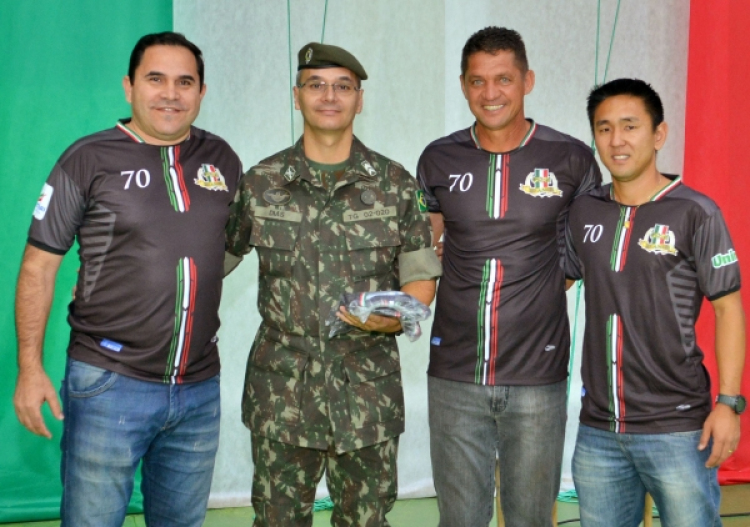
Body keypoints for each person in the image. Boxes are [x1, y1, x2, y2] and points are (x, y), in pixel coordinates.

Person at [13, 32, 242, 527]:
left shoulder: (222, 159)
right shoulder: (87, 159)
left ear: (202, 92)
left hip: (200, 390)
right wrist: (29, 370)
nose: (170, 94)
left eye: (185, 82)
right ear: (129, 86)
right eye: (155, 79)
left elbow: (221, 247)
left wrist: (151, 275)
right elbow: (38, 267)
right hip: (109, 382)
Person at [225, 42, 441, 526]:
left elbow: (420, 275)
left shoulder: (393, 183)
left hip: (366, 391)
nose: (329, 96)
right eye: (316, 85)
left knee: (366, 521)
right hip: (282, 391)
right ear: (296, 96)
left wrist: (396, 318)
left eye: (343, 86)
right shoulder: (261, 183)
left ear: (359, 100)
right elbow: (207, 263)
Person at [417, 26, 601, 526]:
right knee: (460, 520)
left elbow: (579, 255)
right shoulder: (438, 158)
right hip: (454, 374)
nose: (490, 93)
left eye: (503, 79)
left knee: (531, 519)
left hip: (537, 377)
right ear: (463, 85)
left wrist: (536, 283)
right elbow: (422, 252)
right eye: (478, 81)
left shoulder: (570, 158)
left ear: (527, 81)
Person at [565, 78, 745, 527]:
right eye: (604, 128)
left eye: (630, 126)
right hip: (599, 431)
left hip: (678, 428)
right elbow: (550, 283)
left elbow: (728, 309)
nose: (617, 141)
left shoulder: (696, 212)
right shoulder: (584, 211)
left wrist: (729, 403)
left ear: (658, 134)